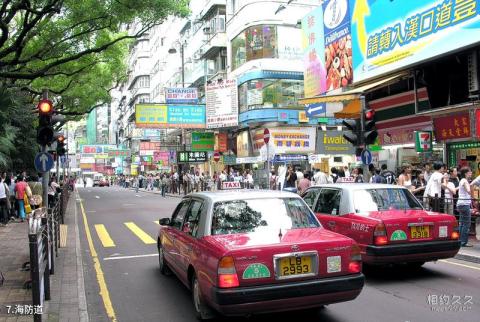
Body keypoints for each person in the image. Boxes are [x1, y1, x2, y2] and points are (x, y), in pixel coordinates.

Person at [457, 167, 473, 247]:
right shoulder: (464, 181)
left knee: (462, 223)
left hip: (461, 204)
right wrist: (473, 193)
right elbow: (468, 190)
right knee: (466, 223)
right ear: (466, 173)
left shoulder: (462, 180)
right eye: (470, 172)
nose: (471, 173)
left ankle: (460, 241)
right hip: (464, 204)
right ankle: (463, 242)